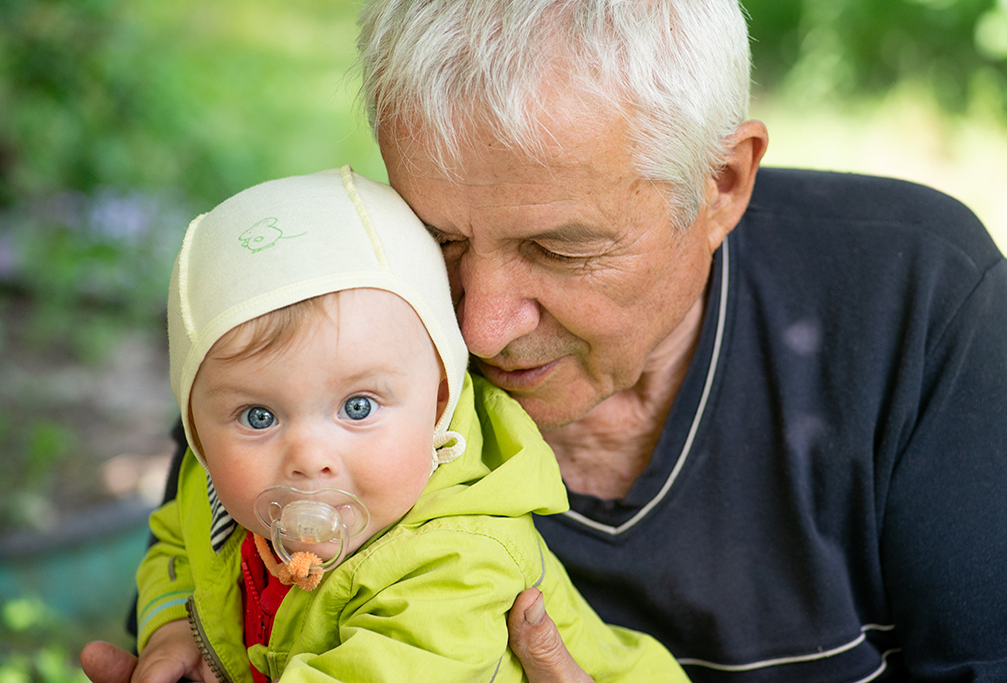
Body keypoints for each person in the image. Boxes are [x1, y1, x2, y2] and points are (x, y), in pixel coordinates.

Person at [84, 0, 1007, 681]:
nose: (479, 325)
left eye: (561, 249)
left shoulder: (917, 306)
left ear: (720, 185)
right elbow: (197, 584)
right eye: (439, 239)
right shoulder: (324, 345)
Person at [113, 166, 688, 683]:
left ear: (438, 401)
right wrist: (172, 627)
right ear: (197, 429)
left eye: (358, 407)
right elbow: (180, 541)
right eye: (258, 416)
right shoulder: (217, 491)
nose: (309, 457)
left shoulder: (454, 565)